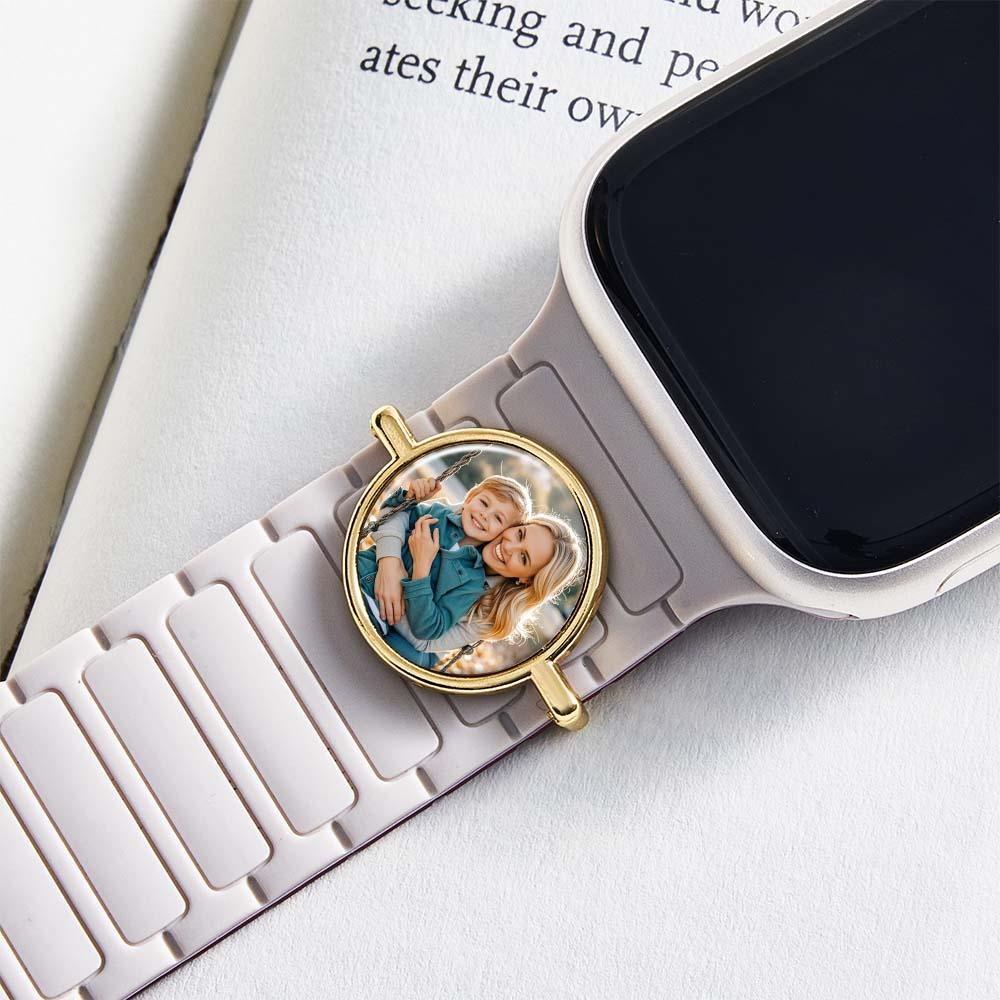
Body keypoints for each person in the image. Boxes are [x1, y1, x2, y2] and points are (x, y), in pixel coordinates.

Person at [357, 475, 531, 666]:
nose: (485, 515)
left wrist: (420, 570)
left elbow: (430, 627)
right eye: (484, 503)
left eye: (498, 518)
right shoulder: (437, 514)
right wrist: (409, 497)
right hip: (360, 571)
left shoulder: (473, 580)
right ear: (470, 497)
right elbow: (392, 514)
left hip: (378, 617)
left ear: (501, 534)